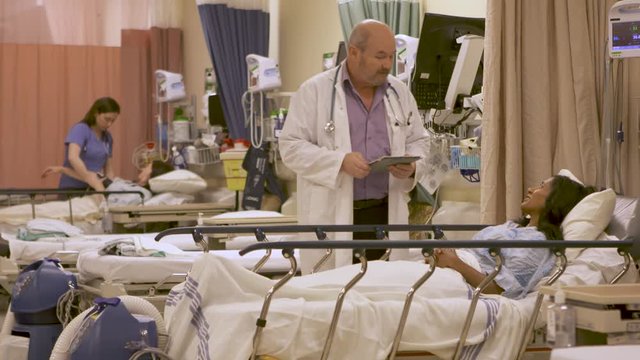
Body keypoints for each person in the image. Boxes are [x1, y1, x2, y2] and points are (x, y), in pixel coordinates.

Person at [279, 19, 430, 274]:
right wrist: (339, 162)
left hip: (385, 214)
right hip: (335, 213)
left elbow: (420, 140)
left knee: (385, 298)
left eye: (391, 56)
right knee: (334, 299)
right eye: (380, 56)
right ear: (353, 52)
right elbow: (290, 147)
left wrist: (413, 165)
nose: (387, 65)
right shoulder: (315, 91)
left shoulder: (399, 92)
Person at [435, 175, 597, 299]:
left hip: (462, 279)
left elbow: (503, 291)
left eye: (541, 187)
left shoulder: (538, 243)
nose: (530, 190)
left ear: (556, 200)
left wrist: (454, 262)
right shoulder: (512, 227)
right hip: (451, 269)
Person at [56, 97, 120, 192]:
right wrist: (88, 177)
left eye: (113, 121)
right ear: (96, 113)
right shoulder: (81, 129)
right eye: (107, 119)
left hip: (93, 189)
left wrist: (110, 187)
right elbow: (73, 157)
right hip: (72, 189)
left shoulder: (107, 138)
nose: (109, 124)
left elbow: (108, 168)